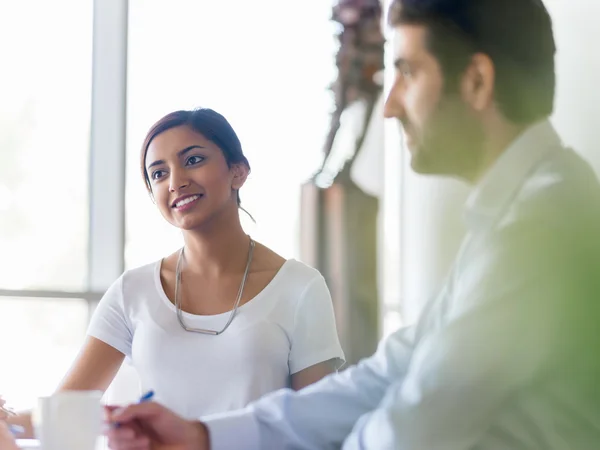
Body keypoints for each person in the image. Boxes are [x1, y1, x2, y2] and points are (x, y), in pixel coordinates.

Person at [105, 0, 600, 448]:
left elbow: (419, 425)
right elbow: (388, 376)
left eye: (407, 73)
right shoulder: (511, 221)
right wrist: (202, 435)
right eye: (157, 172)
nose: (390, 106)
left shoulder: (539, 229)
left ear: (476, 81)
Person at [2, 108, 344, 437]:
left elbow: (313, 426)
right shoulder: (132, 292)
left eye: (193, 160)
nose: (176, 181)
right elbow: (66, 414)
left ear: (238, 171)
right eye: (159, 173)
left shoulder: (300, 288)